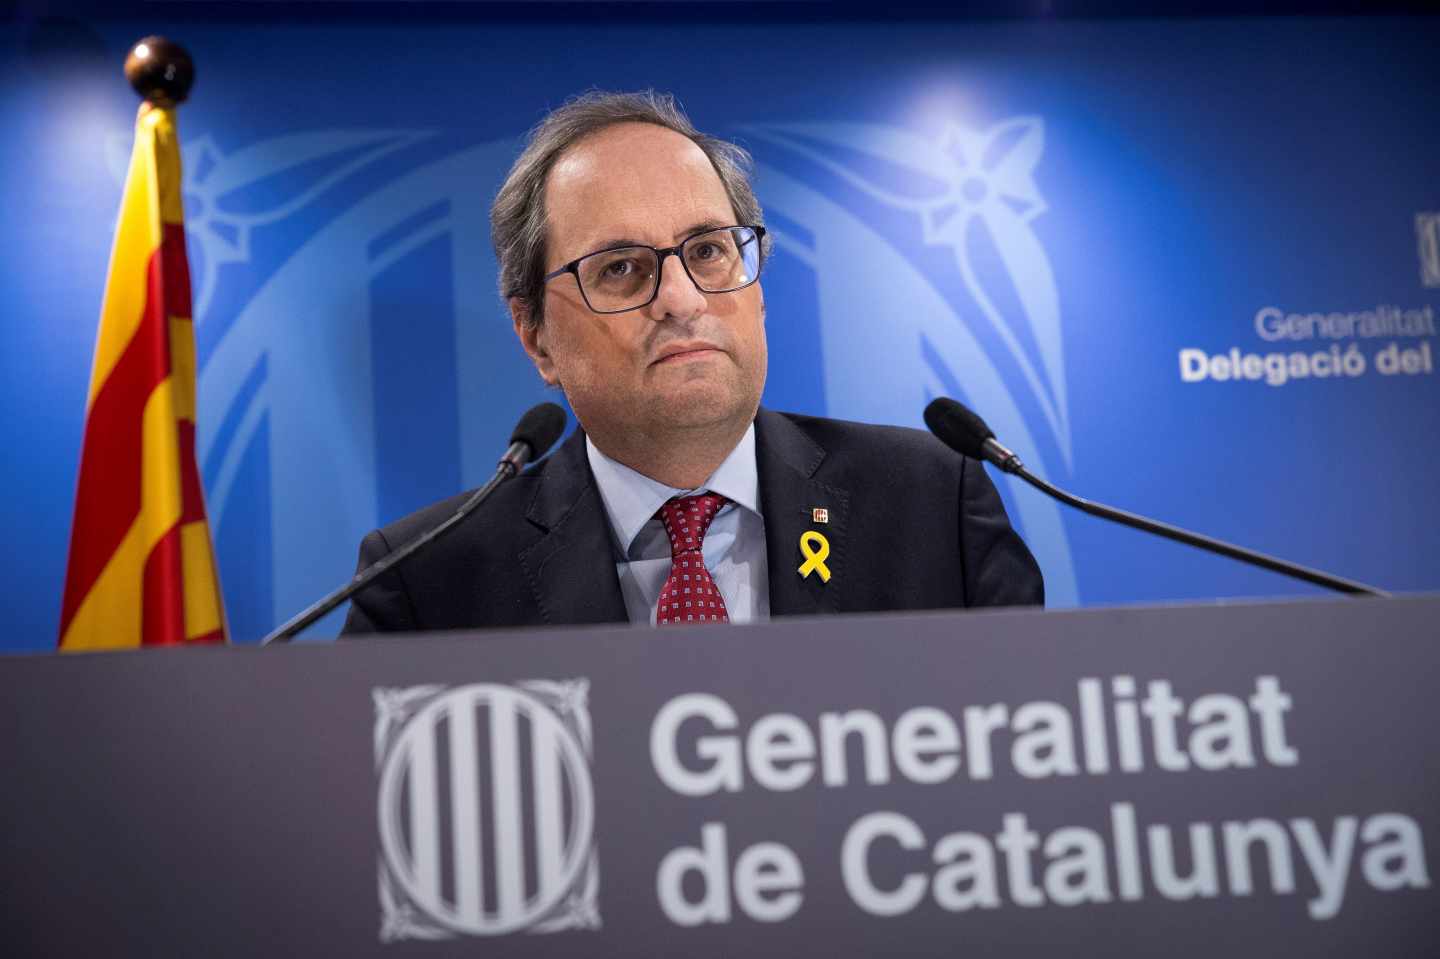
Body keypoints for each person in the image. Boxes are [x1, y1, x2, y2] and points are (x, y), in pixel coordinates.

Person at [342, 91, 1041, 634]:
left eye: (708, 250)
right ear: (536, 337)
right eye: (620, 266)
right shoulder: (428, 583)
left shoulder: (933, 504)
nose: (681, 299)